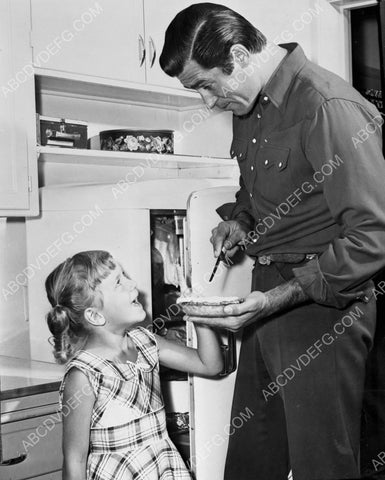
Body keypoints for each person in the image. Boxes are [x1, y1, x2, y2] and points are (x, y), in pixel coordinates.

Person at [160, 3, 385, 480]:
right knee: (251, 460)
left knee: (322, 467)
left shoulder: (328, 106)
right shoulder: (249, 108)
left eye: (205, 85)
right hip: (266, 295)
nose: (208, 103)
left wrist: (277, 297)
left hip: (324, 308)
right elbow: (255, 191)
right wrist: (240, 220)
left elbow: (374, 235)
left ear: (239, 56)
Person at [45, 250, 223, 480]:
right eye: (119, 282)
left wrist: (198, 315)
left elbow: (210, 365)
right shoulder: (83, 375)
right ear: (95, 316)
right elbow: (74, 459)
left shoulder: (146, 342)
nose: (133, 284)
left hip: (162, 469)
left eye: (124, 276)